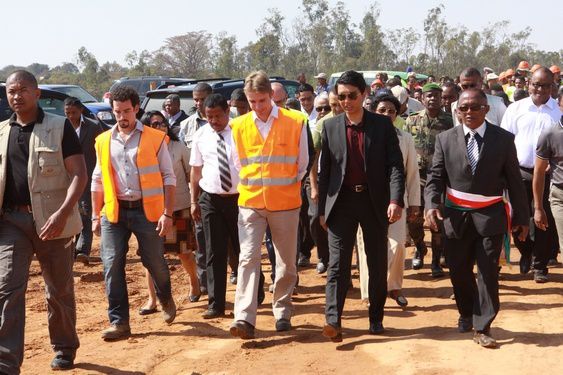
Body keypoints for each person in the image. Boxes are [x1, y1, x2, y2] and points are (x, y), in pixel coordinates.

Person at [425, 88, 529, 348]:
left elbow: (515, 182)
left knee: (487, 271)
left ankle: (483, 325)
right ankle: (465, 312)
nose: (469, 112)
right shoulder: (445, 139)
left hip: (490, 216)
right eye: (464, 108)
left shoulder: (504, 139)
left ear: (486, 109)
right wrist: (430, 205)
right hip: (455, 217)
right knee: (459, 270)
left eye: (475, 107)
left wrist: (522, 218)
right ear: (457, 111)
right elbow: (436, 177)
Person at [0, 70, 86, 372]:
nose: (16, 96)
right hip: (11, 222)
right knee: (8, 289)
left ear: (37, 93)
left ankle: (64, 348)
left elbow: (79, 174)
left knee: (58, 289)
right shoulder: (1, 132)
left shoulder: (59, 126)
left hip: (53, 222)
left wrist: (62, 214)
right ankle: (6, 362)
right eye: (11, 91)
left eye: (22, 89)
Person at [319, 70, 405, 342]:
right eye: (342, 96)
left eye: (352, 96)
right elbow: (327, 172)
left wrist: (395, 200)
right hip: (341, 202)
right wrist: (322, 209)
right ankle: (333, 320)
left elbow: (395, 166)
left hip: (373, 201)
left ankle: (376, 317)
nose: (347, 101)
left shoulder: (382, 126)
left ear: (364, 94)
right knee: (337, 264)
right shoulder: (330, 127)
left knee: (376, 261)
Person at [92, 86, 177, 341]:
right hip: (114, 211)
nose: (122, 116)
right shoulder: (103, 141)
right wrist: (95, 215)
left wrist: (167, 213)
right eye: (117, 111)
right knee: (112, 263)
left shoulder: (155, 138)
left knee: (154, 261)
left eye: (127, 110)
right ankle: (119, 322)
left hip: (147, 211)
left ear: (136, 108)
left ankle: (164, 296)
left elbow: (168, 177)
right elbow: (97, 179)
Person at [229, 71, 309, 339]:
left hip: (285, 202)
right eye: (252, 102)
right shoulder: (238, 126)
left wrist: (282, 186)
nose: (258, 107)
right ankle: (244, 317)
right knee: (248, 258)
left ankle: (283, 311)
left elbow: (302, 164)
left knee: (286, 262)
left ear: (271, 97)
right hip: (250, 202)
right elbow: (237, 164)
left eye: (262, 100)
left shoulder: (296, 121)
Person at [357, 94, 420, 307]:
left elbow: (411, 173)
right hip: (366, 200)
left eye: (391, 111)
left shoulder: (405, 138)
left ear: (397, 114)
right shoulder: (362, 136)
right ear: (374, 111)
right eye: (382, 110)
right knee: (367, 247)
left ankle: (393, 287)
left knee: (398, 246)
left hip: (396, 201)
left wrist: (414, 203)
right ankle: (368, 294)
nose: (386, 114)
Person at [501, 67, 562, 282]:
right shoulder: (516, 109)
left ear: (552, 87)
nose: (540, 89)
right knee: (519, 217)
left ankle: (540, 265)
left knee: (543, 219)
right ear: (528, 85)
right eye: (536, 84)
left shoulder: (558, 111)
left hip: (548, 175)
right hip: (518, 172)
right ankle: (525, 251)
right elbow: (505, 141)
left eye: (545, 85)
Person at [137, 111, 200, 315]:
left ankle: (194, 282)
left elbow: (192, 174)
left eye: (162, 123)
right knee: (150, 258)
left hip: (178, 207)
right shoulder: (140, 148)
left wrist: (194, 200)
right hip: (150, 210)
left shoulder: (178, 146)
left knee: (183, 253)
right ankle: (152, 299)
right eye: (154, 124)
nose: (159, 127)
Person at [190, 94, 241, 319]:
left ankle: (253, 292)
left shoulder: (240, 132)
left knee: (243, 249)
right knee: (214, 252)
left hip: (240, 198)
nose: (213, 121)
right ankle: (216, 304)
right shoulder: (200, 136)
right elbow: (195, 171)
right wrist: (194, 200)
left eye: (218, 116)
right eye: (209, 117)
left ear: (227, 112)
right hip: (210, 198)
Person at [405, 83, 453, 276]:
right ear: (422, 99)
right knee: (413, 220)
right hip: (416, 177)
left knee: (437, 220)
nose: (432, 99)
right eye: (429, 96)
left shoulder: (449, 122)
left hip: (439, 177)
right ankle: (419, 247)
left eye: (436, 96)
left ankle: (435, 261)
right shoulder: (411, 120)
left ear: (442, 99)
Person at [179, 82, 212, 294]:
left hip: (223, 189)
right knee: (200, 240)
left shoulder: (232, 122)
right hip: (197, 191)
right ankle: (204, 284)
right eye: (196, 99)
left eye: (202, 99)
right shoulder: (187, 126)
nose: (198, 103)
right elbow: (185, 166)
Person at [64, 96, 105, 265]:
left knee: (86, 212)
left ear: (81, 110)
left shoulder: (94, 127)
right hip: (67, 178)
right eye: (67, 113)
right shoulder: (62, 127)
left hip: (88, 176)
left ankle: (83, 249)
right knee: (72, 211)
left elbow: (101, 150)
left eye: (74, 112)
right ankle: (73, 248)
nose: (71, 116)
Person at [534, 115, 563, 259]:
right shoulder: (549, 134)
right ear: (560, 105)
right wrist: (538, 208)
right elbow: (539, 172)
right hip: (560, 196)